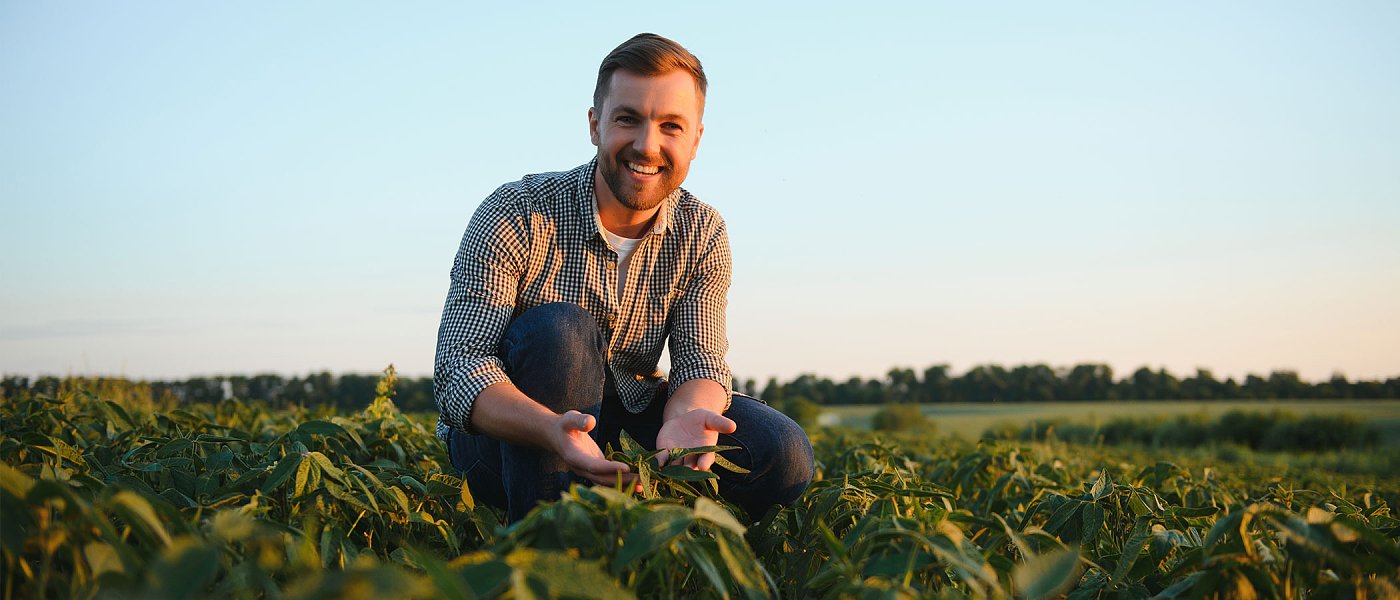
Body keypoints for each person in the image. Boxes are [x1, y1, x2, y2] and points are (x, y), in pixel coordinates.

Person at [433, 33, 814, 524]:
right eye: (627, 119)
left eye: (670, 126)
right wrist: (550, 429)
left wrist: (681, 422)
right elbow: (459, 367)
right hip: (509, 436)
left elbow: (700, 359)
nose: (646, 145)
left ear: (696, 139)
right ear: (595, 125)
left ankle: (651, 518)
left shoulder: (703, 231)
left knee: (781, 453)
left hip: (625, 414)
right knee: (561, 332)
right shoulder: (517, 212)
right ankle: (542, 542)